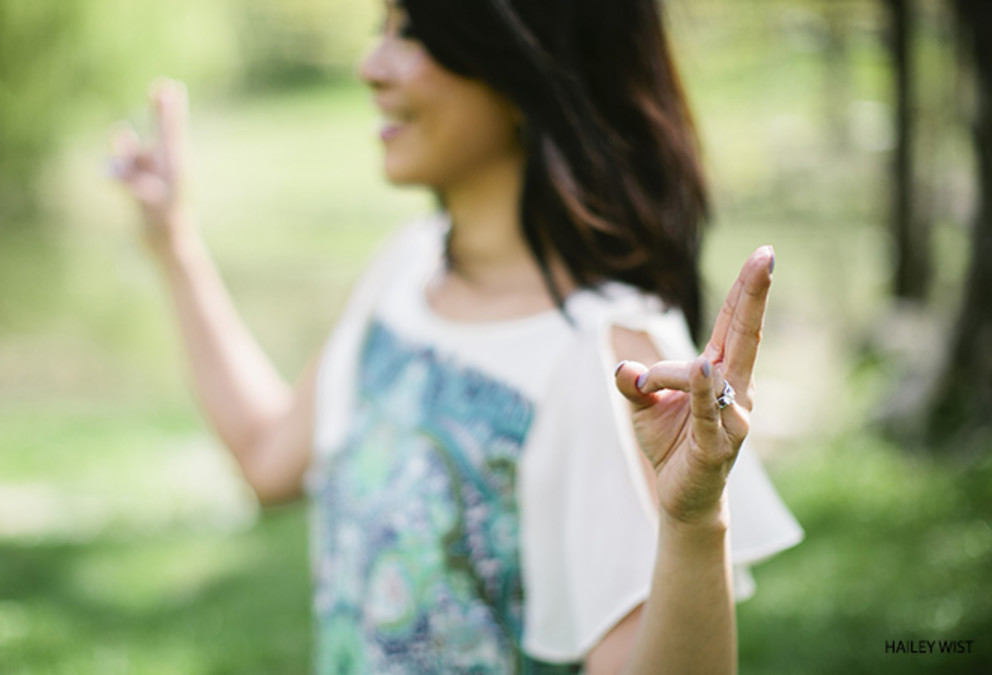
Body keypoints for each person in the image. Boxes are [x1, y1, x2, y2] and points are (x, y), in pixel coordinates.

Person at [109, 0, 803, 672]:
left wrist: (691, 525)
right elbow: (267, 458)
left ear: (517, 55)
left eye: (410, 29)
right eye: (378, 26)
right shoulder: (407, 268)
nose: (369, 66)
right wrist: (174, 244)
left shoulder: (611, 358)